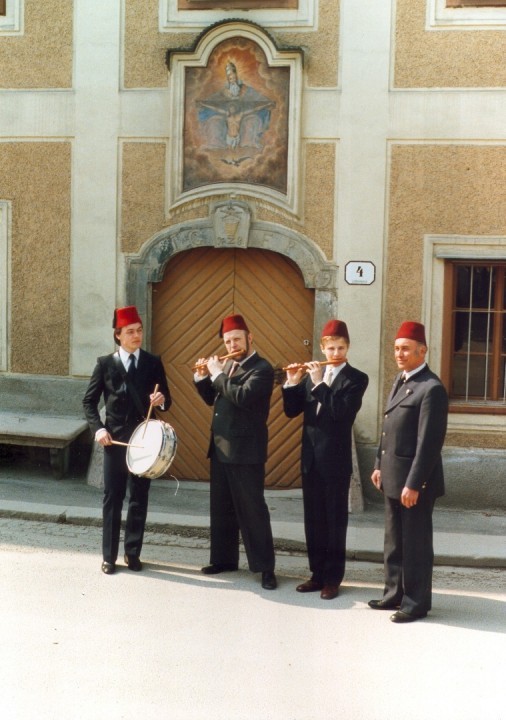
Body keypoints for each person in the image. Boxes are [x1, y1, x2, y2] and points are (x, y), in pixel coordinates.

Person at [282, 320, 369, 600]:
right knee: (314, 520)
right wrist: (293, 382)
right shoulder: (311, 375)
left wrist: (319, 382)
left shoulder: (356, 378)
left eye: (340, 347)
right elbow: (292, 411)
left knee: (334, 521)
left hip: (335, 460)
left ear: (348, 347)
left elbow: (340, 413)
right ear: (322, 347)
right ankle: (316, 574)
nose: (335, 352)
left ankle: (333, 579)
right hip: (310, 458)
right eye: (330, 347)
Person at [368, 321, 448, 623]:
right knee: (394, 541)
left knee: (414, 544)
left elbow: (428, 443)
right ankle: (393, 595)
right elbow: (388, 429)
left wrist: (414, 483)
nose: (399, 354)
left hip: (414, 483)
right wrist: (378, 464)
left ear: (422, 350)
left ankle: (415, 603)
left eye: (405, 349)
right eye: (396, 348)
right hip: (391, 475)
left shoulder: (432, 388)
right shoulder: (399, 380)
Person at [83, 305, 171, 575]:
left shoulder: (153, 362)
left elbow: (167, 400)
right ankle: (109, 557)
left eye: (139, 330)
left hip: (144, 443)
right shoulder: (105, 364)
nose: (137, 336)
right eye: (130, 332)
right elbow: (88, 402)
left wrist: (161, 400)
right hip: (114, 443)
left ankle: (133, 554)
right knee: (113, 498)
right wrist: (99, 429)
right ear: (118, 335)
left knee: (139, 498)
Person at [194, 313, 277, 590]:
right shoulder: (227, 366)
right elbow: (214, 400)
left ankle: (265, 568)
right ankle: (224, 560)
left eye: (236, 340)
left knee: (253, 510)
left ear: (249, 338)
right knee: (221, 509)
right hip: (219, 448)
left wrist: (217, 374)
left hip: (246, 450)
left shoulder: (261, 369)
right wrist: (202, 377)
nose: (231, 345)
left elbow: (240, 397)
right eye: (228, 341)